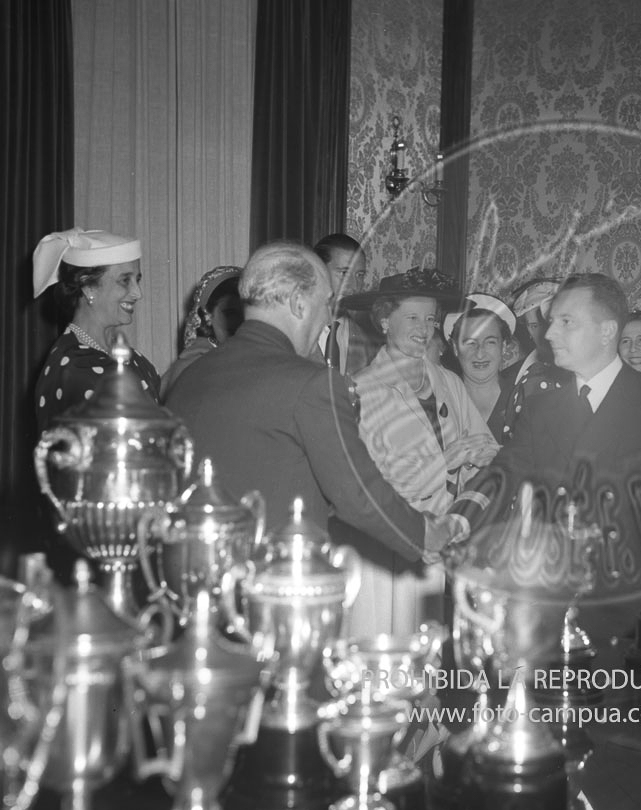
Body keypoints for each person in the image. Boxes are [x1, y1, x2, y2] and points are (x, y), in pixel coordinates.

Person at [448, 273, 641, 646]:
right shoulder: (543, 408)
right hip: (555, 614)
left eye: (566, 322)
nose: (549, 334)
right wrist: (455, 523)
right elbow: (504, 472)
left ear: (607, 330)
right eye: (551, 322)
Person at [165, 241, 460, 561]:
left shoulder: (192, 375)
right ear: (298, 304)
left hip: (192, 573)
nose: (326, 321)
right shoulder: (311, 383)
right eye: (326, 305)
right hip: (273, 581)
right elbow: (357, 495)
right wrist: (428, 534)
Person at [353, 268, 498, 636]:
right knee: (390, 656)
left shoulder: (446, 380)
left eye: (430, 318)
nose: (424, 328)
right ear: (385, 320)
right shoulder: (361, 389)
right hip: (388, 546)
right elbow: (371, 483)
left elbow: (482, 447)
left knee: (429, 655)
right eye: (412, 317)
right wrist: (446, 460)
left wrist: (482, 458)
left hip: (439, 541)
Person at [32, 227, 160, 430]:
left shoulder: (132, 359)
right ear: (89, 287)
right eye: (125, 281)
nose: (138, 293)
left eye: (137, 280)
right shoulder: (75, 367)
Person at [443, 292, 520, 443]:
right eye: (470, 343)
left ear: (503, 347)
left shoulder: (522, 399)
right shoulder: (443, 400)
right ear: (455, 348)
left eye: (490, 342)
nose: (479, 353)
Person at [161, 265, 243, 397]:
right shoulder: (195, 364)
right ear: (207, 315)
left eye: (247, 313)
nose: (240, 321)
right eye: (230, 313)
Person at [312, 233, 380, 375]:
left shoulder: (366, 341)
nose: (354, 286)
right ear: (318, 271)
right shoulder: (294, 333)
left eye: (359, 275)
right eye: (344, 273)